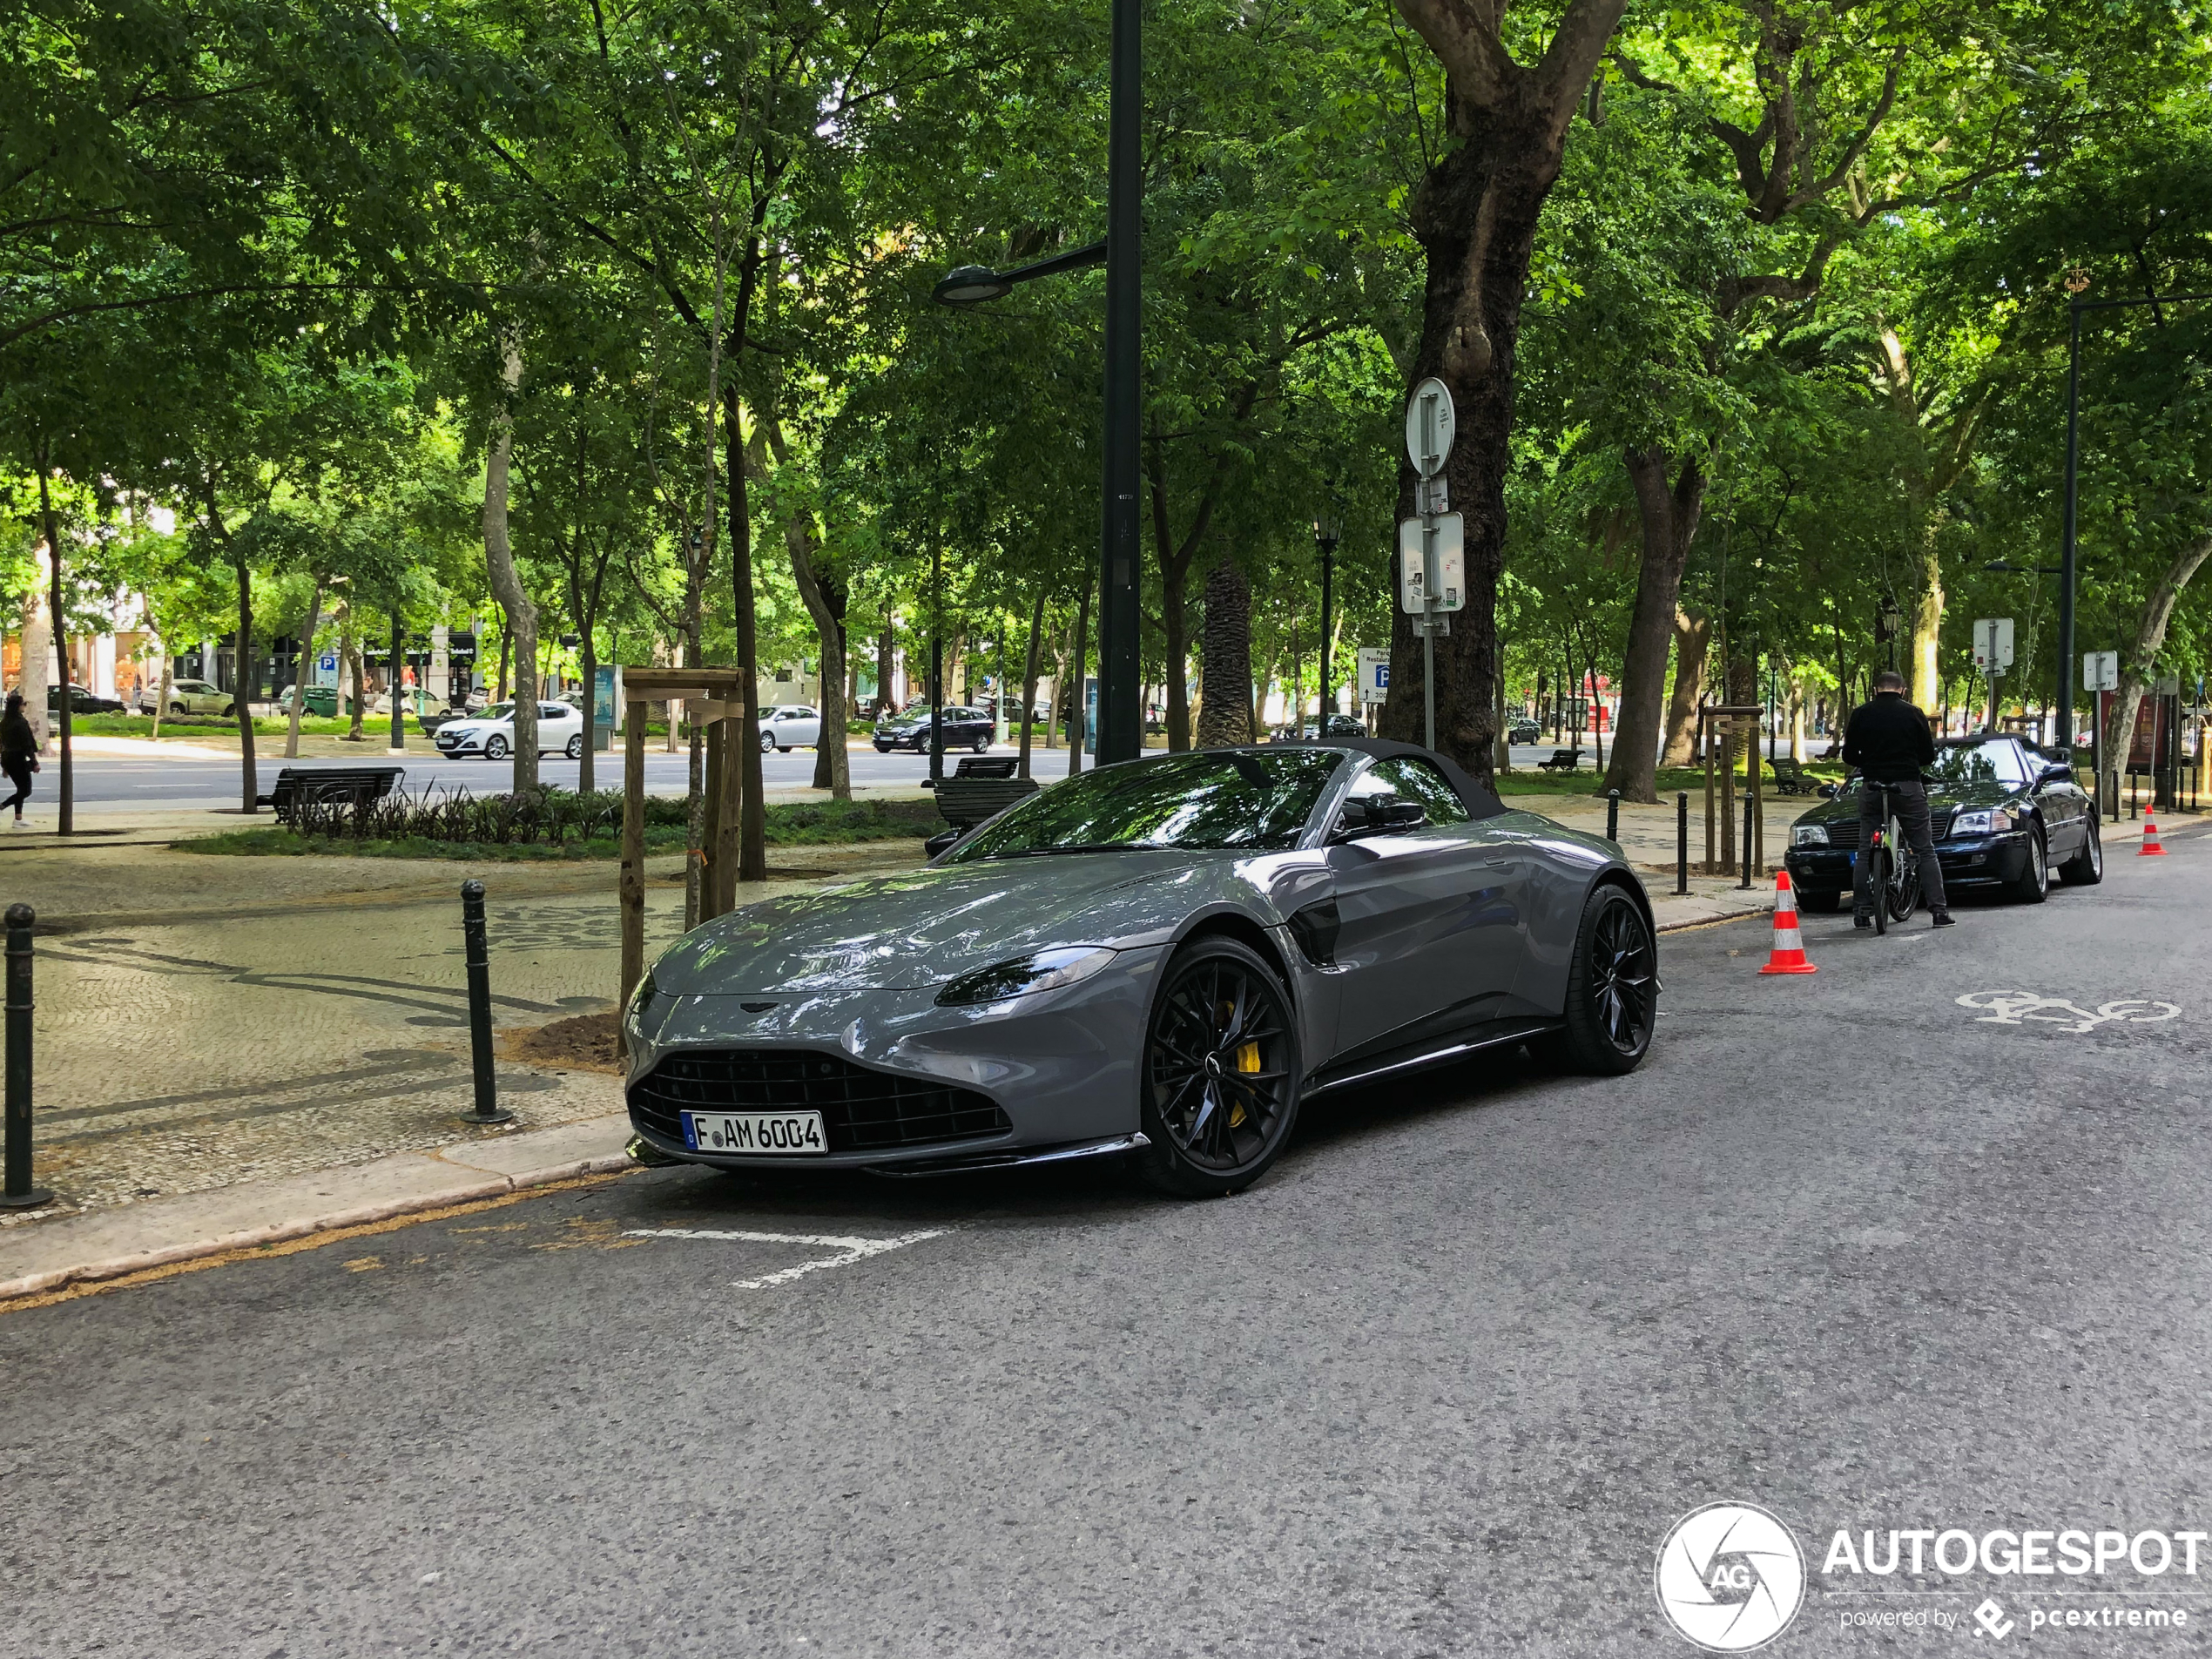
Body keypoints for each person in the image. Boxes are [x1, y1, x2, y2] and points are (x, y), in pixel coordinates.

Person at [1841, 670, 1951, 927]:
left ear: (1875, 690)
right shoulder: (1913, 713)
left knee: (1865, 848)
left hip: (1872, 785)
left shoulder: (1861, 713)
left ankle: (1862, 910)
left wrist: (1868, 762)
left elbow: (1848, 755)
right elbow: (1927, 756)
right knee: (1924, 848)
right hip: (1908, 787)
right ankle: (1939, 912)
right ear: (1903, 690)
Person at [0, 692, 37, 828]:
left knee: (20, 789)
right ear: (18, 706)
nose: (25, 706)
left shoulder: (4, 722)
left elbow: (2, 743)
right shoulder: (20, 722)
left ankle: (18, 819)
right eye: (23, 704)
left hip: (7, 758)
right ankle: (2, 806)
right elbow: (27, 744)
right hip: (18, 759)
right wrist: (34, 762)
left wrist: (4, 766)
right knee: (26, 790)